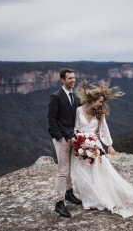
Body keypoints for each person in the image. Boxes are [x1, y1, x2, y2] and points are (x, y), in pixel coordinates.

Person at [71, 79, 133, 218]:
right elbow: (75, 127)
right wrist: (78, 141)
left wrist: (109, 145)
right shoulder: (79, 110)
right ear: (92, 100)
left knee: (98, 172)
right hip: (81, 144)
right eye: (99, 101)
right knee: (82, 172)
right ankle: (89, 198)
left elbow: (104, 129)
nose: (101, 104)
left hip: (95, 144)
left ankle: (101, 197)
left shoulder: (100, 113)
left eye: (102, 102)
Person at [48, 68, 82, 218]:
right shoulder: (56, 96)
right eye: (70, 78)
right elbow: (51, 119)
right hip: (62, 139)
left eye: (74, 78)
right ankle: (59, 202)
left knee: (70, 168)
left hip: (72, 138)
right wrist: (60, 138)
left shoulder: (74, 96)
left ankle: (69, 192)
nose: (73, 80)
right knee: (62, 170)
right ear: (63, 80)